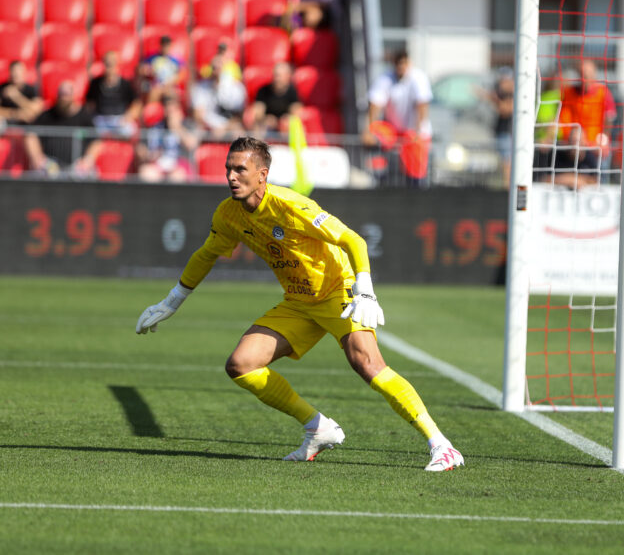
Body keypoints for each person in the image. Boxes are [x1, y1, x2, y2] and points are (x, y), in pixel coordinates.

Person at [135, 137, 464, 472]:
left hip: (339, 290)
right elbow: (206, 255)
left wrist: (364, 289)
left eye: (240, 169)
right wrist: (173, 300)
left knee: (367, 364)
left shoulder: (291, 206)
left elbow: (353, 239)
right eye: (228, 169)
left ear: (262, 174)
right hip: (299, 301)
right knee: (241, 365)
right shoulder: (228, 214)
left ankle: (442, 445)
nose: (231, 177)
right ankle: (318, 427)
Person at [364, 50, 433, 186]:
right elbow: (375, 104)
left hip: (414, 133)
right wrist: (369, 130)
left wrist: (417, 131)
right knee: (376, 134)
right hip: (395, 132)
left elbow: (422, 105)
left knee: (415, 175)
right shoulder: (386, 78)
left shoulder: (418, 77)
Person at [24, 81, 102, 177]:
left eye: (66, 95)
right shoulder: (47, 115)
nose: (64, 98)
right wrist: (38, 159)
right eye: (61, 95)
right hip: (50, 165)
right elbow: (31, 135)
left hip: (77, 166)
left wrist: (87, 161)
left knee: (91, 174)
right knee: (35, 174)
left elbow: (96, 141)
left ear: (73, 96)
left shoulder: (84, 116)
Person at [558, 58, 616, 166]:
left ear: (594, 75)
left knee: (599, 173)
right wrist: (571, 140)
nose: (585, 78)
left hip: (595, 147)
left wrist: (603, 140)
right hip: (574, 146)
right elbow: (563, 119)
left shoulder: (603, 93)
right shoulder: (568, 93)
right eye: (582, 74)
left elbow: (609, 118)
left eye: (588, 74)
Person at [137, 94, 198, 183]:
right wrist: (147, 154)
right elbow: (142, 149)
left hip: (180, 164)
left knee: (176, 177)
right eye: (167, 106)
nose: (170, 110)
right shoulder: (156, 126)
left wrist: (177, 128)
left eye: (173, 106)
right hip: (159, 164)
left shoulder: (187, 124)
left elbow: (192, 144)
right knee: (146, 173)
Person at [86, 50, 142, 137]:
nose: (109, 66)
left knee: (130, 130)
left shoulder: (125, 84)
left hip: (119, 120)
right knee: (90, 130)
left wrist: (128, 117)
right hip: (101, 119)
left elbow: (136, 104)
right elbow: (89, 104)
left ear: (117, 64)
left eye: (112, 62)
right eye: (107, 63)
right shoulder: (95, 83)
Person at [191, 53, 247, 139]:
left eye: (220, 67)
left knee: (239, 134)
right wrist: (214, 127)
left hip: (230, 127)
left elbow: (239, 116)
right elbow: (198, 114)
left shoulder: (237, 88)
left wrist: (224, 127)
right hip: (207, 128)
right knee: (194, 134)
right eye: (214, 68)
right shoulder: (200, 87)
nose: (217, 71)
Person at [244, 62, 302, 137]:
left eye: (279, 76)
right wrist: (265, 119)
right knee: (257, 127)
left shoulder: (293, 91)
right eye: (275, 75)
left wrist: (285, 120)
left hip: (284, 129)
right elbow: (258, 111)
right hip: (266, 126)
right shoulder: (263, 90)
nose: (276, 79)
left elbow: (296, 112)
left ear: (287, 76)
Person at [139, 35, 184, 103]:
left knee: (173, 96)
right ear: (160, 46)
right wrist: (147, 71)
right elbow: (141, 69)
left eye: (167, 46)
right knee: (154, 92)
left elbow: (183, 73)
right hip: (156, 86)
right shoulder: (152, 58)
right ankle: (151, 111)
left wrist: (171, 82)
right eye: (164, 46)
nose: (165, 48)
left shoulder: (176, 59)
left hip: (171, 87)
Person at [0, 60, 43, 125]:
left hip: (26, 124)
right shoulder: (2, 88)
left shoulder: (31, 89)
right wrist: (15, 114)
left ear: (24, 72)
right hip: (7, 123)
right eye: (14, 71)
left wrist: (16, 96)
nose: (16, 74)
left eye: (19, 71)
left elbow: (36, 110)